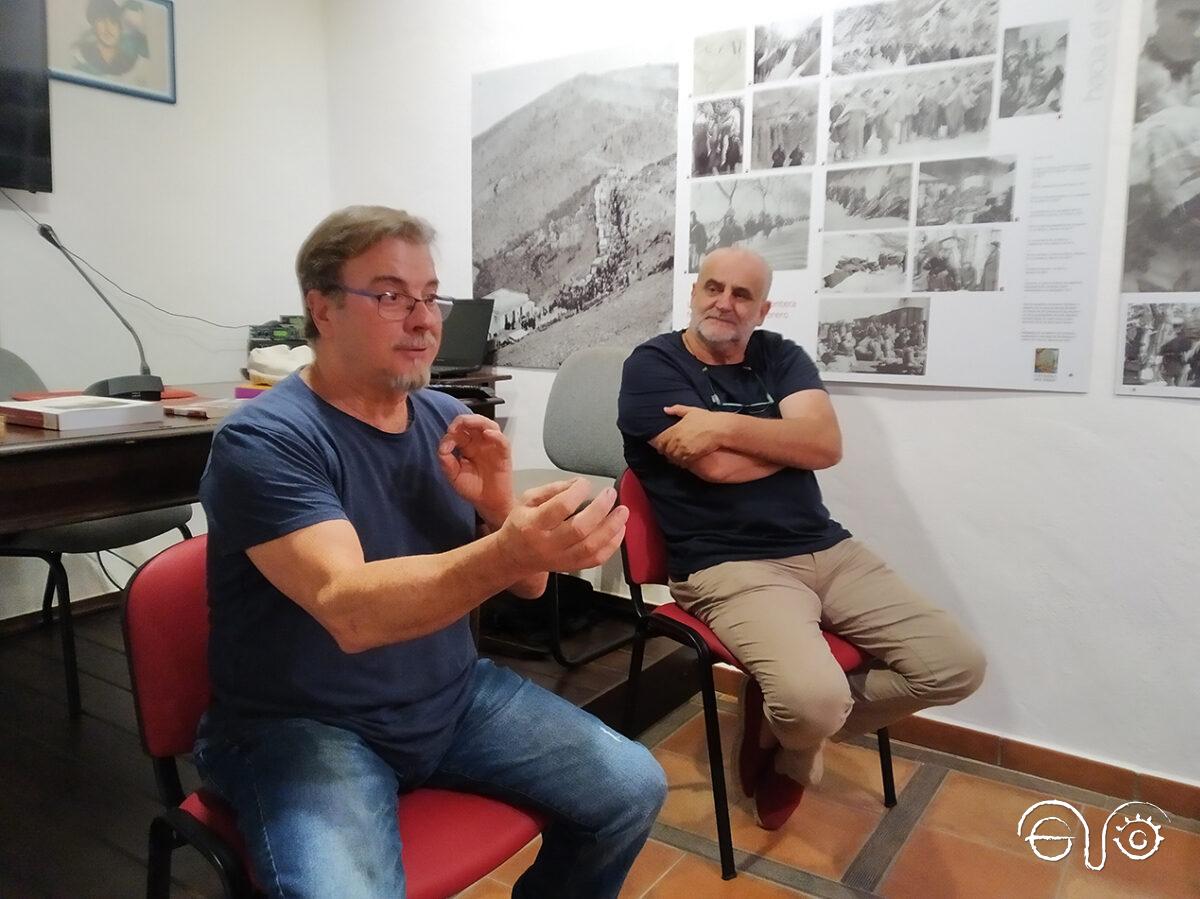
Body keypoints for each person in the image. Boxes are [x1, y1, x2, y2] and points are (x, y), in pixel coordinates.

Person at [195, 206, 666, 898]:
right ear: (321, 308)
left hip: (450, 697)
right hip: (303, 725)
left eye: (430, 297)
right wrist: (507, 547)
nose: (422, 319)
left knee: (632, 787)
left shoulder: (448, 421)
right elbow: (348, 609)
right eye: (390, 295)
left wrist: (501, 500)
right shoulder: (265, 442)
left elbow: (531, 587)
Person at [617, 247, 985, 831]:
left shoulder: (778, 355)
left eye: (742, 295)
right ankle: (799, 724)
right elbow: (716, 468)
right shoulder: (651, 365)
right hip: (728, 566)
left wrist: (723, 425)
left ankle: (779, 726)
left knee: (956, 667)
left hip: (828, 548)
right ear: (693, 293)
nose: (724, 303)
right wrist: (789, 442)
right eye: (714, 287)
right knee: (815, 702)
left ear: (762, 308)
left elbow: (826, 446)